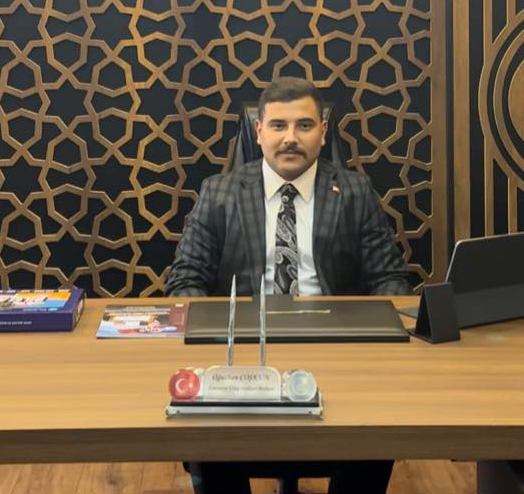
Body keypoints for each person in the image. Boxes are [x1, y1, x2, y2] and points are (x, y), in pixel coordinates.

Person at [166, 77, 409, 494]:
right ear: (258, 131)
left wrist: (382, 348)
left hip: (338, 347)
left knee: (374, 429)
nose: (290, 138)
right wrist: (210, 348)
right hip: (244, 352)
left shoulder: (354, 191)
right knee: (211, 433)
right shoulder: (219, 192)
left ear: (323, 131)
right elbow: (185, 280)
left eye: (304, 125)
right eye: (278, 126)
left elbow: (389, 278)